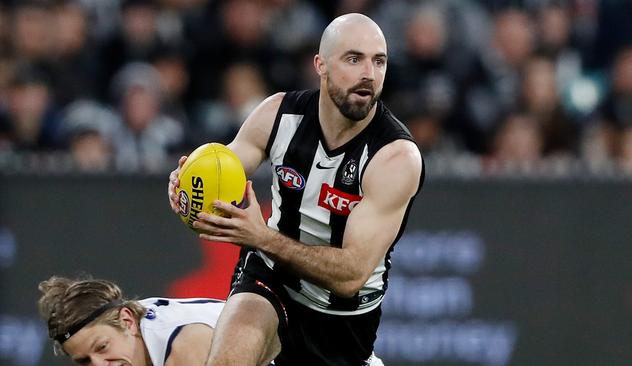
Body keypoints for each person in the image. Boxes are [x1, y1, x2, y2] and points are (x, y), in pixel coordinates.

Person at [168, 13, 424, 365]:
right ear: (320, 65)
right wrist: (188, 186)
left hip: (342, 319)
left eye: (378, 61)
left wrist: (262, 237)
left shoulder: (395, 157)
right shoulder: (277, 113)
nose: (369, 73)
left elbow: (350, 275)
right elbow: (222, 169)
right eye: (354, 59)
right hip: (270, 278)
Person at [37, 275, 277, 366]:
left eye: (102, 347)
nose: (98, 364)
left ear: (128, 321)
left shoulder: (186, 347)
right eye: (85, 362)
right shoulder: (127, 322)